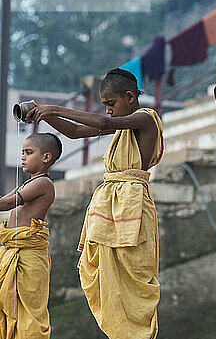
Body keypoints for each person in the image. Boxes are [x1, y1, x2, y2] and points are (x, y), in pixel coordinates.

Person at [27, 68, 164, 339]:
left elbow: (102, 125)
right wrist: (47, 115)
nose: (109, 111)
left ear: (130, 97)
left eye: (111, 104)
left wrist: (55, 107)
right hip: (112, 207)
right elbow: (77, 132)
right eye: (105, 106)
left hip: (133, 208)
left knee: (134, 283)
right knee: (107, 282)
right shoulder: (124, 123)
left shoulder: (145, 119)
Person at [0, 133, 61, 338]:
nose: (23, 157)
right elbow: (4, 201)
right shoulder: (27, 183)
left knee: (29, 313)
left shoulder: (43, 184)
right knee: (11, 309)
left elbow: (8, 204)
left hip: (28, 256)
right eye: (22, 153)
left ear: (46, 158)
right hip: (14, 251)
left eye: (29, 152)